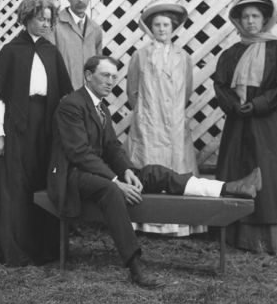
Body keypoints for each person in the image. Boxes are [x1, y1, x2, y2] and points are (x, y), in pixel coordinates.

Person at [48, 56, 263, 288]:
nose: (111, 81)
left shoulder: (101, 106)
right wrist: (115, 180)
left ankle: (229, 187)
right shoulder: (71, 104)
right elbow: (79, 153)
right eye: (105, 75)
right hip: (72, 175)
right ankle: (135, 267)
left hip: (98, 171)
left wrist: (127, 171)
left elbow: (112, 147)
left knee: (153, 173)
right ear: (88, 76)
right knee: (110, 190)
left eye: (113, 76)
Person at [0, 0, 72, 266]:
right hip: (15, 125)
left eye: (49, 19)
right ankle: (10, 245)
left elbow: (63, 93)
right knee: (13, 185)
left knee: (41, 180)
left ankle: (41, 246)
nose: (46, 23)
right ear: (27, 18)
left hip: (45, 125)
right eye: (41, 18)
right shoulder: (11, 51)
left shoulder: (51, 51)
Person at [213, 0, 277, 254]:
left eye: (255, 16)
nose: (250, 21)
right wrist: (234, 104)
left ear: (265, 19)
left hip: (270, 124)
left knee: (269, 174)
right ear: (238, 21)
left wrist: (257, 104)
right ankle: (236, 233)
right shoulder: (231, 54)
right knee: (239, 168)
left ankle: (274, 237)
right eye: (245, 17)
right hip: (239, 122)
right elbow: (221, 85)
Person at [125, 0, 203, 237]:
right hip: (149, 122)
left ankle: (176, 224)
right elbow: (132, 91)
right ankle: (146, 223)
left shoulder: (183, 57)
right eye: (157, 25)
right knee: (149, 168)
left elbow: (186, 89)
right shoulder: (141, 55)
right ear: (151, 28)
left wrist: (173, 112)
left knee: (176, 167)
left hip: (175, 124)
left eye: (166, 25)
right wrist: (146, 113)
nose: (161, 29)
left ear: (173, 28)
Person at [49, 0, 104, 90]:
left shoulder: (95, 29)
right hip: (63, 94)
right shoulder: (54, 25)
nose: (80, 0)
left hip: (89, 95)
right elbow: (49, 64)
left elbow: (98, 66)